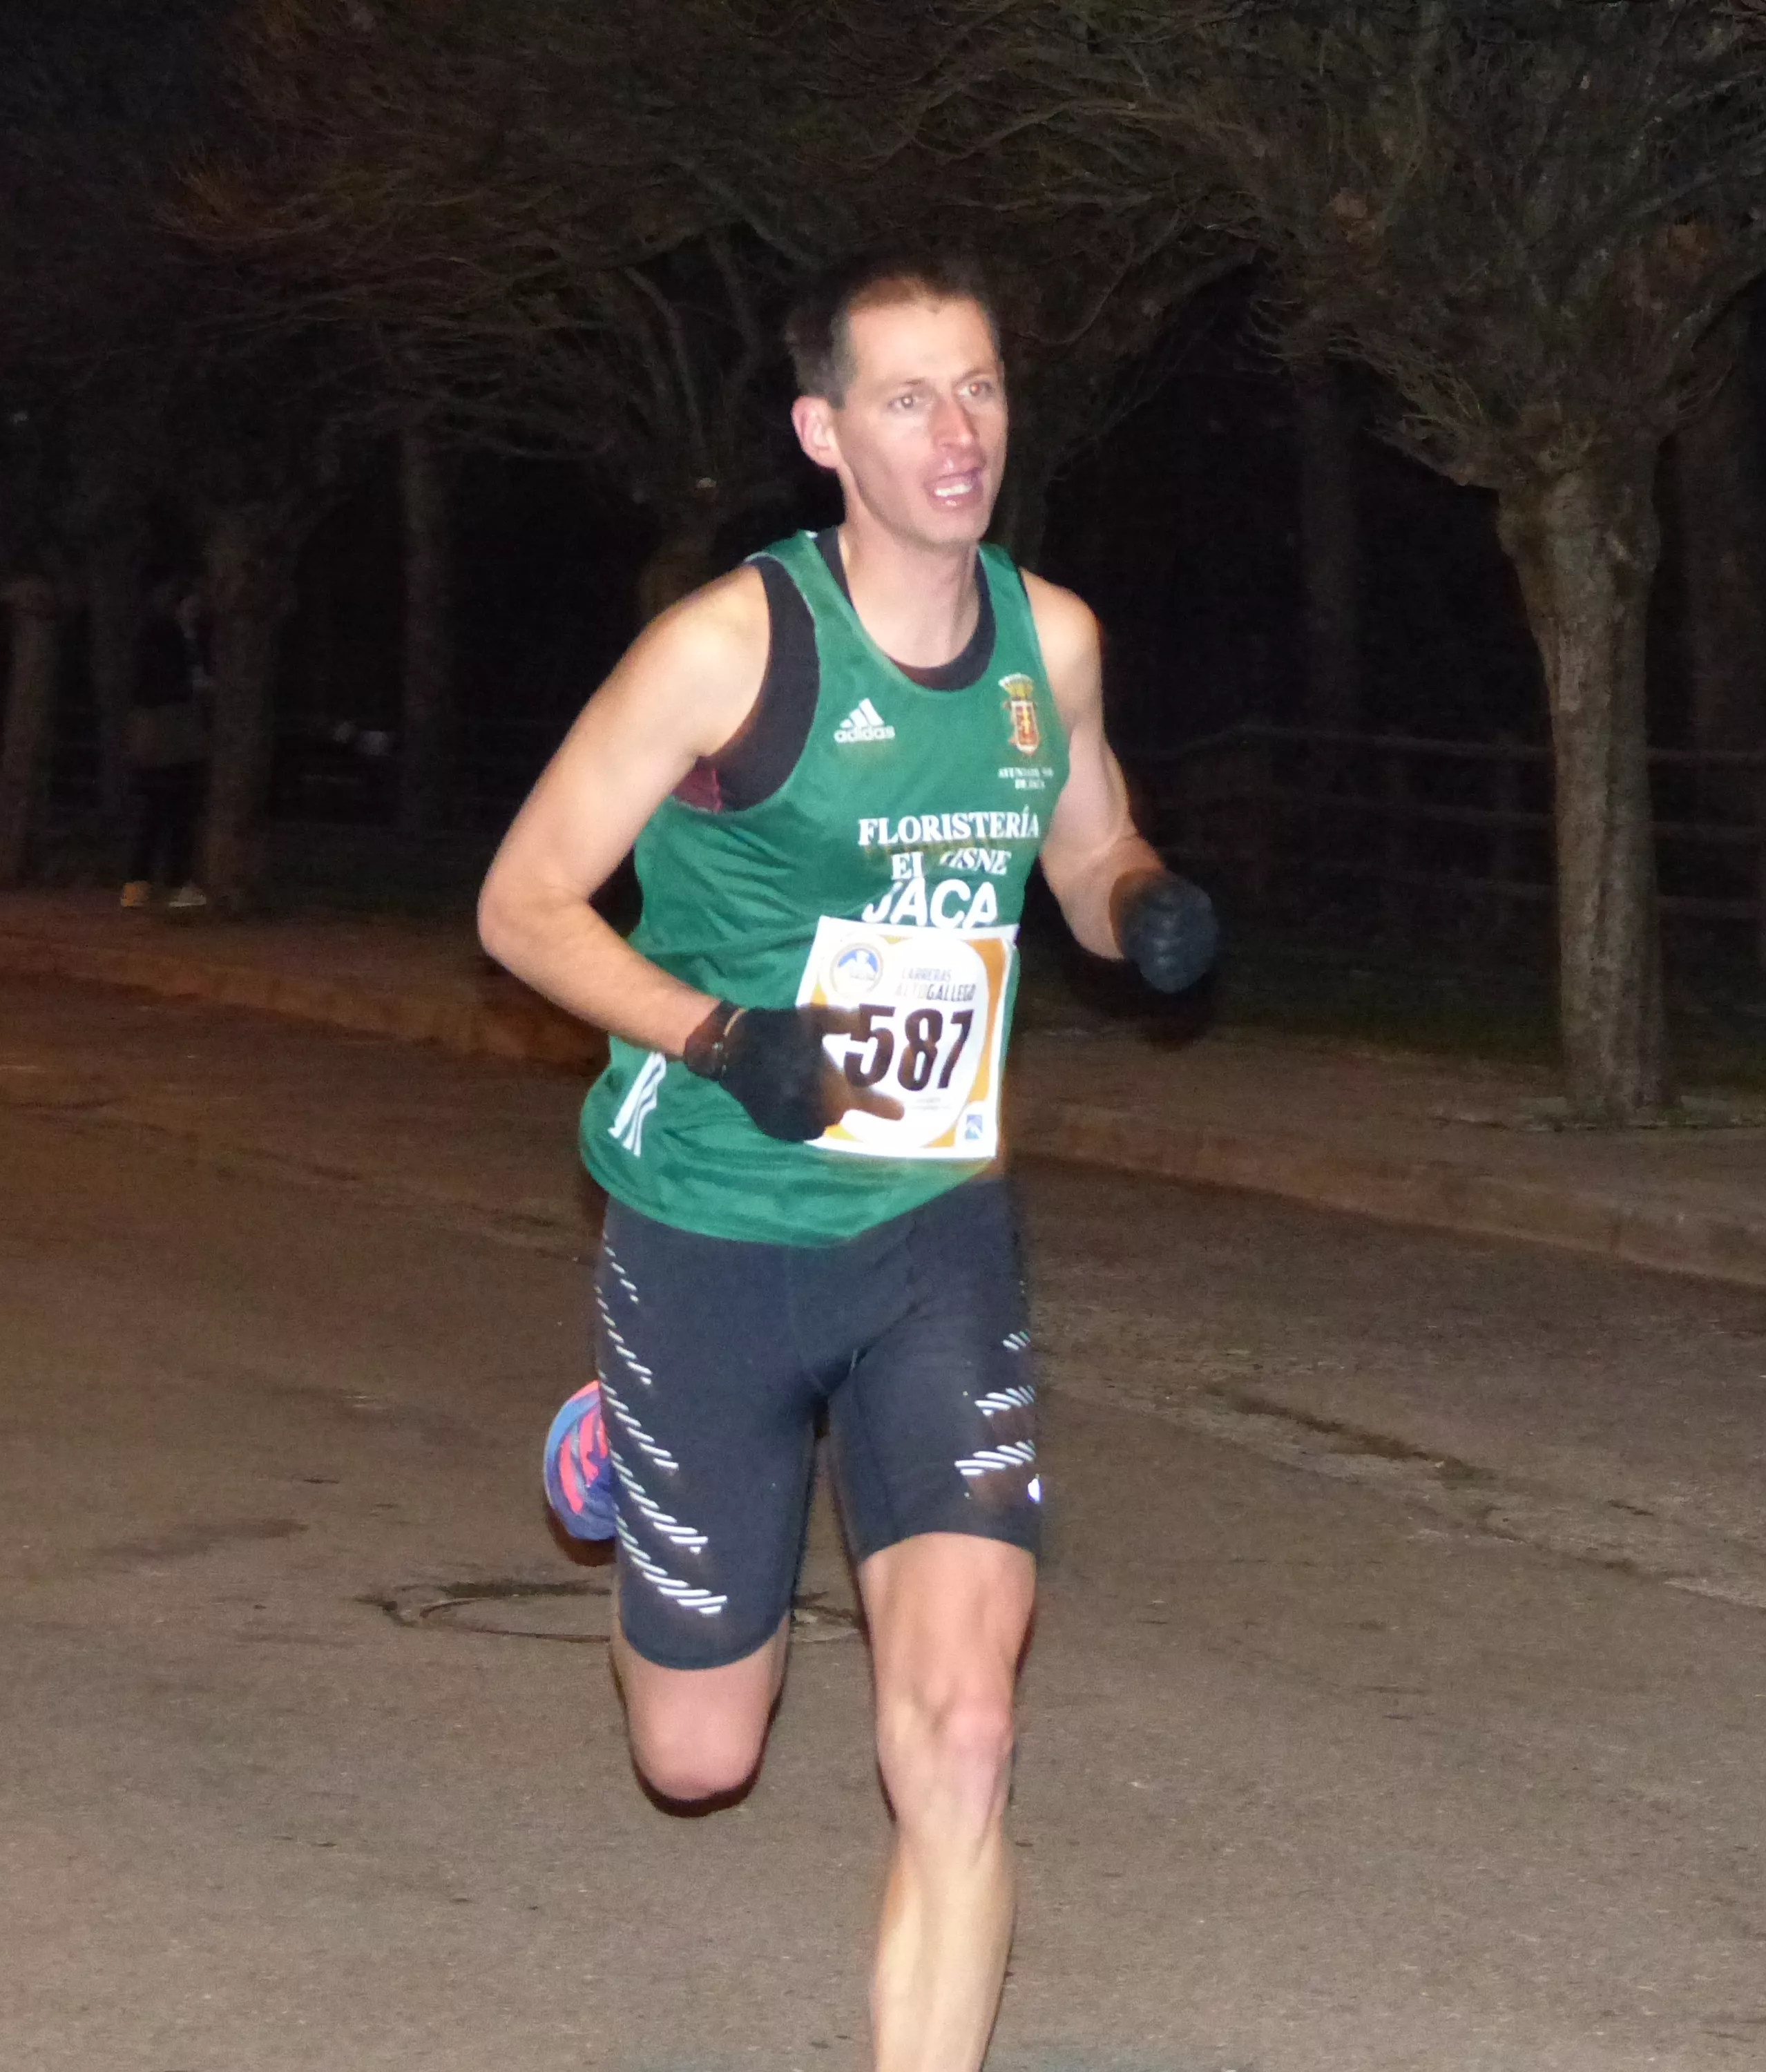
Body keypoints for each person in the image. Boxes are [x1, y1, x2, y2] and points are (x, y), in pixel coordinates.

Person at [477, 252, 1218, 2072]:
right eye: (907, 397)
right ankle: (623, 1447)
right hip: (712, 1224)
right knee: (699, 1757)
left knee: (958, 1732)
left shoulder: (1054, 643)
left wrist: (1146, 907)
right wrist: (723, 1038)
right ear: (824, 432)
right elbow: (522, 907)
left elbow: (1087, 845)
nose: (956, 433)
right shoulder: (729, 649)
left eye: (978, 390)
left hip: (930, 1231)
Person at [118, 582, 207, 911]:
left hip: (154, 735)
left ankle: (136, 887)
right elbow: (177, 685)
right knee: (177, 810)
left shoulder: (154, 637)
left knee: (154, 812)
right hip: (173, 735)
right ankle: (177, 884)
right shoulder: (172, 640)